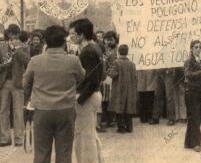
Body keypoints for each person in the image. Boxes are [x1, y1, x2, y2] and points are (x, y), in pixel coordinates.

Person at [23, 25, 85, 163]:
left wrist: (27, 102)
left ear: (45, 42)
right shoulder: (73, 60)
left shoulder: (35, 61)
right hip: (66, 110)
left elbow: (25, 85)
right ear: (64, 42)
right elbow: (82, 78)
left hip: (42, 111)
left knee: (41, 153)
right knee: (64, 152)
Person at [69, 18, 105, 163]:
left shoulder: (88, 51)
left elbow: (92, 80)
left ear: (81, 34)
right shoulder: (94, 47)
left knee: (83, 137)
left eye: (72, 34)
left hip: (87, 97)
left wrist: (79, 99)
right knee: (90, 133)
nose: (70, 37)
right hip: (93, 95)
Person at [0, 24, 30, 147]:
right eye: (11, 35)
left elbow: (27, 61)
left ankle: (19, 138)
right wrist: (6, 64)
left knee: (18, 111)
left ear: (18, 35)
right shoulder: (1, 47)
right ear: (8, 35)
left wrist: (17, 50)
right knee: (3, 111)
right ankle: (4, 138)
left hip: (18, 83)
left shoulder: (24, 47)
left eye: (16, 35)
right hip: (4, 82)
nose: (13, 37)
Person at [184, 40, 201, 152]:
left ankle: (189, 142)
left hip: (198, 92)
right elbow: (188, 74)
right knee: (195, 118)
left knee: (193, 118)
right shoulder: (189, 61)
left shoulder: (200, 60)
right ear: (191, 49)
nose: (198, 49)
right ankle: (196, 144)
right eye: (196, 47)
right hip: (191, 92)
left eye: (199, 47)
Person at [107, 44, 137, 133]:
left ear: (119, 52)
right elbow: (135, 77)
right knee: (128, 108)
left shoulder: (116, 62)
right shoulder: (132, 64)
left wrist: (108, 71)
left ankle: (121, 128)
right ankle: (129, 127)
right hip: (130, 89)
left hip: (119, 89)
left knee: (119, 108)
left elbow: (113, 74)